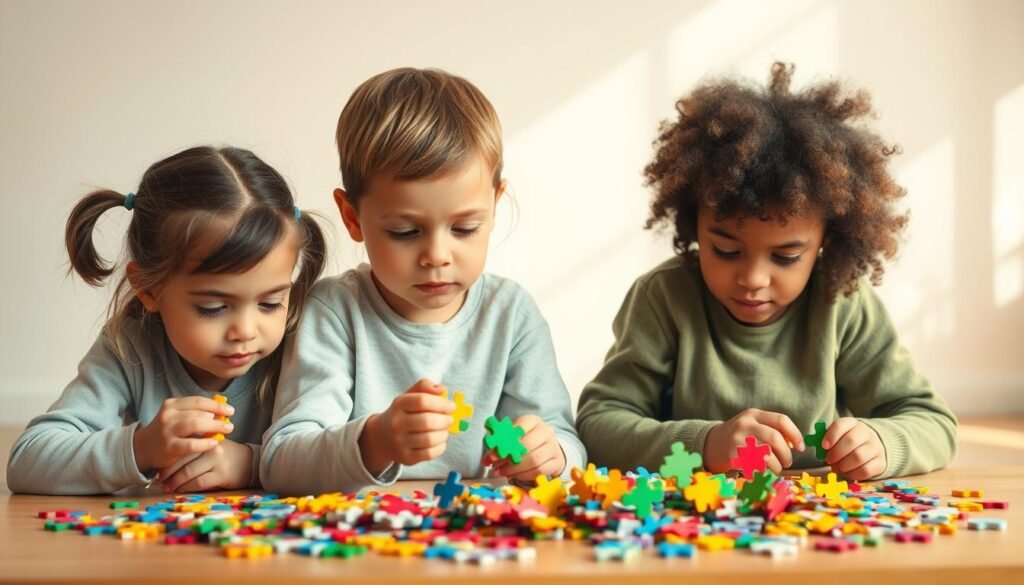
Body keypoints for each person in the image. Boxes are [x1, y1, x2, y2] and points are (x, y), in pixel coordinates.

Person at [577, 63, 957, 481]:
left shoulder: (841, 300)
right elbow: (599, 424)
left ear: (826, 241)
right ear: (694, 225)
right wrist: (706, 443)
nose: (753, 279)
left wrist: (884, 443)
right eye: (724, 249)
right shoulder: (665, 297)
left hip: (817, 524)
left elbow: (932, 421)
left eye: (786, 257)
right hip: (695, 524)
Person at [261, 68, 585, 495]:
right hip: (360, 546)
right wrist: (376, 442)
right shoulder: (334, 311)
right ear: (352, 218)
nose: (437, 255)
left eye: (466, 228)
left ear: (495, 204)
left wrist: (552, 454)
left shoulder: (511, 314)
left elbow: (566, 441)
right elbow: (282, 460)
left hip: (482, 542)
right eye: (405, 232)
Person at [7, 145, 326, 494]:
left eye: (270, 303)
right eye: (213, 308)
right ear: (148, 289)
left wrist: (252, 464)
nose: (246, 332)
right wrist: (141, 447)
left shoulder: (305, 342)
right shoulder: (131, 347)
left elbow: (341, 453)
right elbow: (28, 460)